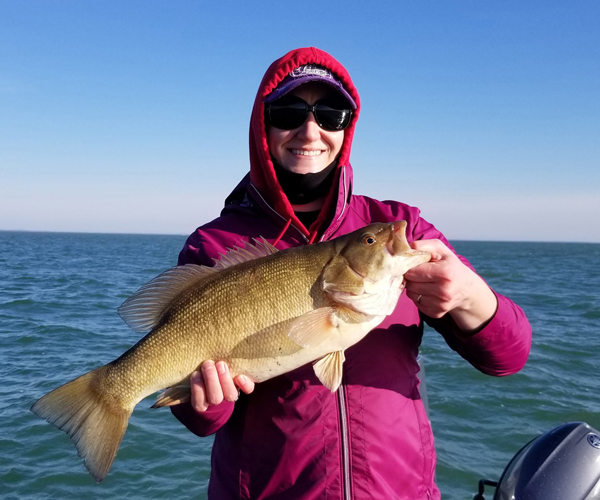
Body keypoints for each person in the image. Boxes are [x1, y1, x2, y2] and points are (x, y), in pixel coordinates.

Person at [171, 47, 532, 500]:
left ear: (348, 128)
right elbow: (201, 419)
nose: (310, 130)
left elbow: (508, 358)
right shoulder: (216, 243)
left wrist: (471, 298)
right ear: (262, 126)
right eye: (288, 112)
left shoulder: (401, 228)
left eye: (330, 114)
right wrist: (208, 402)